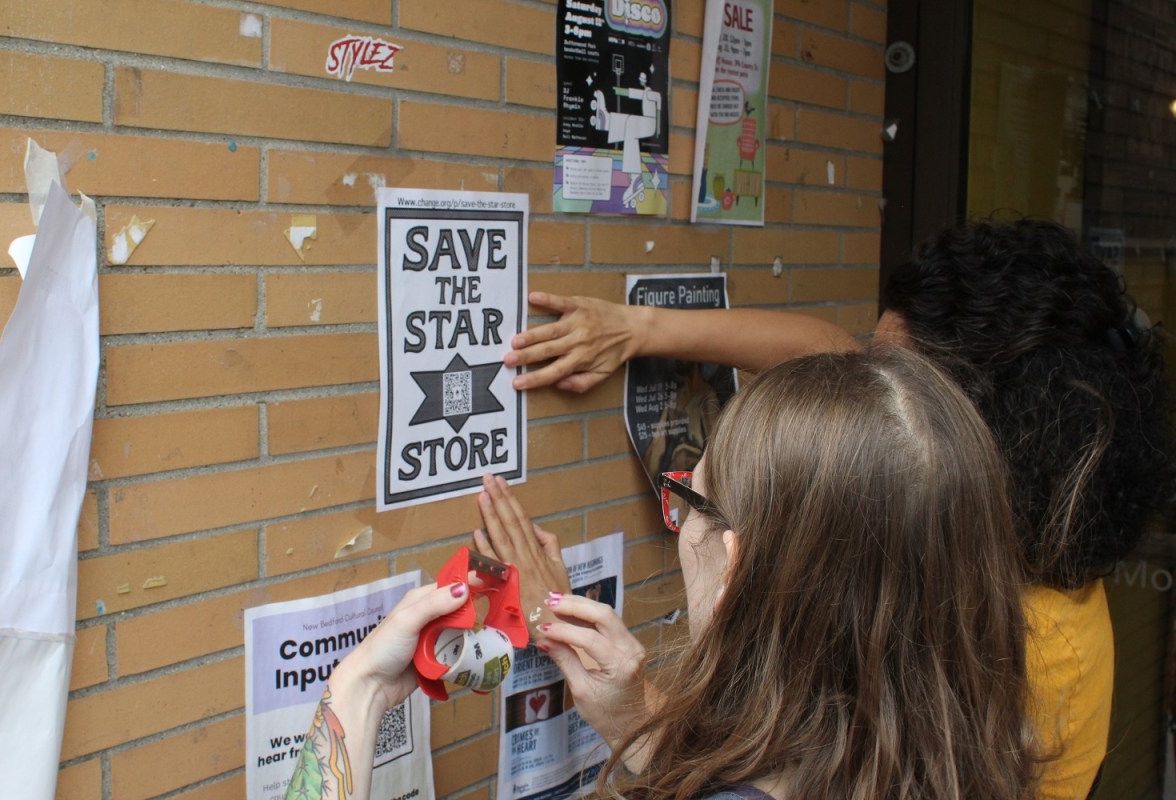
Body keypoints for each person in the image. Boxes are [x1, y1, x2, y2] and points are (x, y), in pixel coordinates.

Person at [502, 218, 1175, 798]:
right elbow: (826, 353)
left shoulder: (1015, 646)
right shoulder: (953, 540)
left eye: (699, 506)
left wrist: (641, 712)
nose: (860, 384)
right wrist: (639, 328)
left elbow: (791, 770)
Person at [288, 346, 1037, 800]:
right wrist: (633, 715)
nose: (677, 516)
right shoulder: (965, 761)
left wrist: (358, 691)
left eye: (689, 496)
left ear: (736, 564)